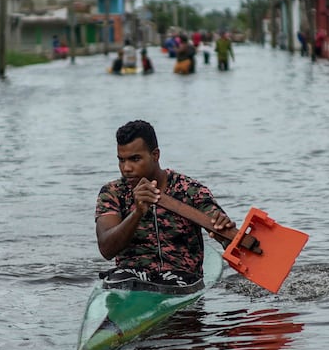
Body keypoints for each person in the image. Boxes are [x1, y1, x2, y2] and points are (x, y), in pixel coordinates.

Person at [94, 119, 234, 289]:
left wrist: (224, 229)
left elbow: (225, 235)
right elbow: (106, 249)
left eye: (135, 159)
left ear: (155, 155)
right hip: (130, 279)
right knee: (120, 278)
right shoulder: (113, 193)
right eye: (121, 160)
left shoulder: (189, 190)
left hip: (182, 279)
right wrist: (137, 213)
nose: (126, 168)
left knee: (175, 280)